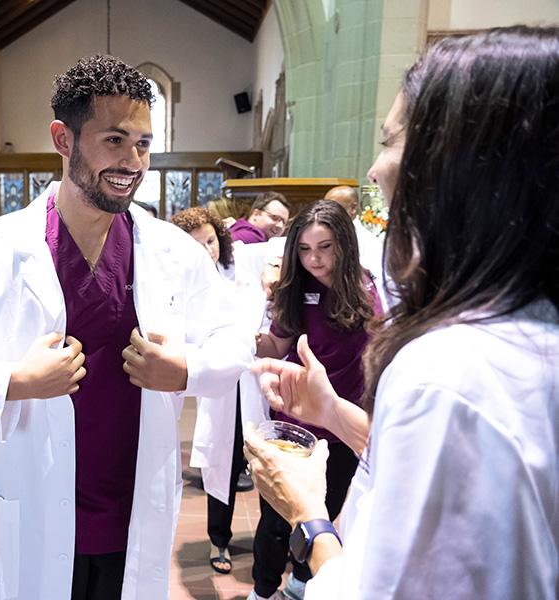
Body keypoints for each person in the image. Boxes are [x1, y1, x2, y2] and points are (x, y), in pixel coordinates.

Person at [0, 55, 253, 600]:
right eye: (114, 140)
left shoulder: (171, 252)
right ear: (63, 139)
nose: (133, 161)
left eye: (143, 143)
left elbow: (234, 335)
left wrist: (187, 369)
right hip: (29, 510)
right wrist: (14, 381)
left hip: (130, 516)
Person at [245, 26, 558, 600]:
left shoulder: (450, 372)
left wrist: (308, 514)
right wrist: (334, 411)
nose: (374, 171)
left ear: (453, 168)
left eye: (390, 143)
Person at [250, 200, 381, 600]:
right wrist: (247, 335)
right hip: (296, 425)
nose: (314, 259)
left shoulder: (369, 289)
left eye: (324, 247)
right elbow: (275, 344)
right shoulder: (295, 291)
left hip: (345, 426)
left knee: (325, 510)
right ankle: (261, 589)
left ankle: (304, 581)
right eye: (304, 250)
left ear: (344, 245)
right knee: (276, 518)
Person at [171, 207, 249, 574]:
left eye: (211, 241)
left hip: (258, 380)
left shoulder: (244, 269)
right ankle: (219, 539)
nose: (207, 250)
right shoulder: (181, 283)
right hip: (224, 387)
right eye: (196, 244)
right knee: (225, 461)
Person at [323, 186, 390, 311]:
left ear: (353, 208)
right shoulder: (320, 233)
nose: (327, 213)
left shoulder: (370, 243)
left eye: (334, 207)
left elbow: (373, 281)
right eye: (325, 207)